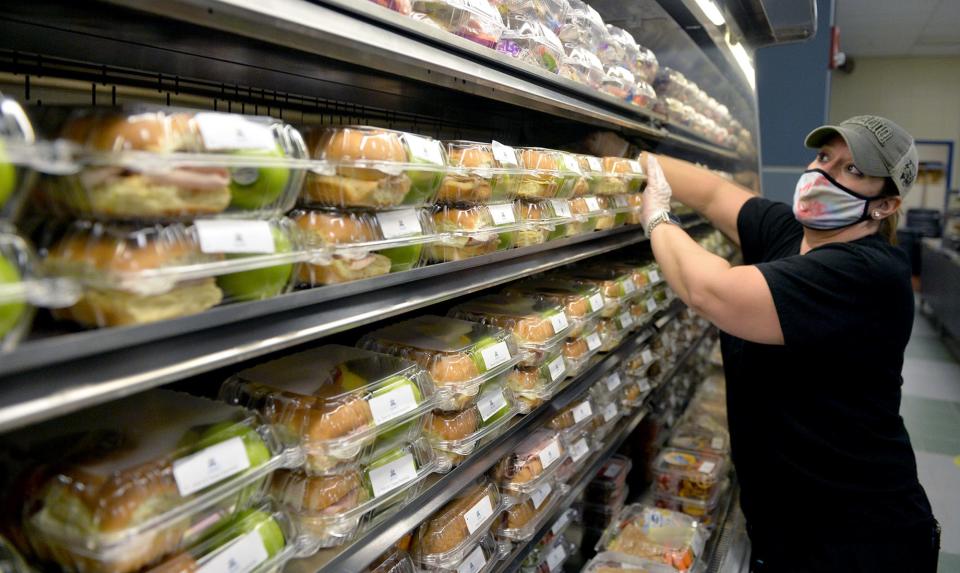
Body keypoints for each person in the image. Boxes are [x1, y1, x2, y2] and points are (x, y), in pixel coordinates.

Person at [639, 115, 939, 572]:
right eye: (824, 158)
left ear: (885, 205)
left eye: (852, 171)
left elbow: (709, 291)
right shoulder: (791, 235)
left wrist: (658, 216)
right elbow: (715, 193)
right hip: (789, 527)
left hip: (858, 541)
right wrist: (630, 161)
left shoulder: (867, 274)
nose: (823, 175)